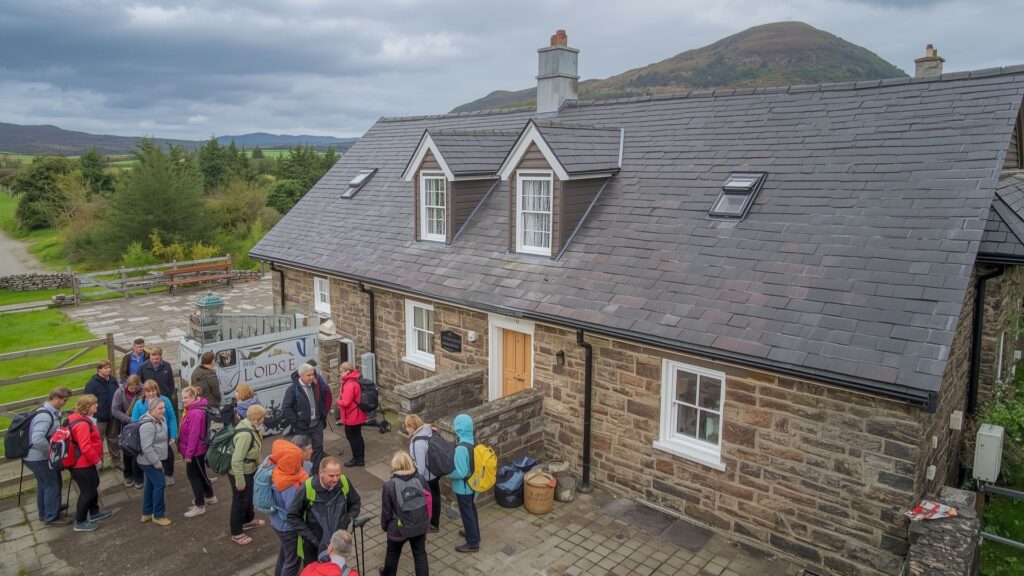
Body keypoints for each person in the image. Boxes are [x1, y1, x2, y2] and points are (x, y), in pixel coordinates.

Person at [287, 456, 362, 565]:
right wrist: (312, 539)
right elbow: (293, 516)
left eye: (338, 475)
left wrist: (348, 519)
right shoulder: (307, 488)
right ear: (321, 472)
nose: (336, 479)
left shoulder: (344, 482)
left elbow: (355, 503)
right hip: (313, 549)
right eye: (331, 475)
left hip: (337, 547)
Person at [24, 387, 71, 526]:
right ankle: (52, 517)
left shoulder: (47, 411)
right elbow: (37, 439)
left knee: (44, 485)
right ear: (56, 399)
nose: (65, 403)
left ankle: (46, 511)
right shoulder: (45, 416)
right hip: (39, 458)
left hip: (35, 458)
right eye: (64, 400)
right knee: (53, 485)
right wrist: (52, 452)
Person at [380, 451, 431, 576]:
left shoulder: (389, 485)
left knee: (392, 554)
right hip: (418, 525)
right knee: (420, 554)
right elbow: (429, 500)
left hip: (398, 528)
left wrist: (385, 526)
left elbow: (386, 513)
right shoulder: (420, 479)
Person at [67, 395, 112, 532]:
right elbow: (85, 447)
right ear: (87, 407)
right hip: (82, 464)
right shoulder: (82, 424)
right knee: (87, 491)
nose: (97, 406)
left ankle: (94, 512)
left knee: (94, 485)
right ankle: (79, 522)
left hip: (83, 462)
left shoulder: (78, 419)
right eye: (94, 404)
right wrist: (96, 460)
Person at [271, 438, 310, 576]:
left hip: (278, 522)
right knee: (293, 562)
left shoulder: (279, 471)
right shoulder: (290, 484)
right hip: (288, 528)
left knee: (284, 554)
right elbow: (294, 510)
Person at [229, 404, 266, 545]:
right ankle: (236, 532)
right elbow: (236, 460)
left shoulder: (252, 428)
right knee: (239, 502)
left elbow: (256, 451)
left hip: (249, 471)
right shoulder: (245, 434)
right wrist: (239, 480)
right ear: (256, 419)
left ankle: (247, 521)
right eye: (262, 418)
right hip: (241, 473)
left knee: (248, 498)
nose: (264, 420)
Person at [131, 380, 178, 485]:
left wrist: (173, 436)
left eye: (153, 390)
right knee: (139, 459)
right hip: (147, 436)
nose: (151, 393)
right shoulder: (139, 404)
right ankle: (139, 479)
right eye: (148, 391)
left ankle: (168, 474)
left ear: (157, 390)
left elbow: (171, 418)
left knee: (168, 455)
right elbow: (134, 421)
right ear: (144, 392)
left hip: (162, 436)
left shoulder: (165, 400)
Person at [179, 385, 216, 518]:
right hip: (197, 449)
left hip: (195, 451)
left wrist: (188, 454)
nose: (184, 400)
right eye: (182, 398)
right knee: (200, 474)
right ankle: (210, 496)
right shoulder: (194, 408)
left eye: (186, 398)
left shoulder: (194, 413)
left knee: (194, 476)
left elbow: (193, 435)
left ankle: (200, 505)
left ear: (194, 397)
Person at [284, 364, 328, 471]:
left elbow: (322, 400)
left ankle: (315, 473)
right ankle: (304, 472)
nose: (312, 377)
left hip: (317, 424)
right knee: (303, 451)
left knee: (317, 449)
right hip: (302, 427)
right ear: (301, 376)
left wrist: (323, 414)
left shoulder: (315, 385)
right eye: (309, 375)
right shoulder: (292, 389)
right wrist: (296, 422)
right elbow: (286, 408)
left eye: (313, 374)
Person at [138, 395, 172, 526]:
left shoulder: (158, 419)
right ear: (151, 410)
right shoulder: (148, 425)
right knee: (160, 484)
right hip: (149, 461)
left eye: (163, 407)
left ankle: (146, 513)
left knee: (150, 485)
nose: (163, 410)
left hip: (152, 459)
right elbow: (146, 447)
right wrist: (157, 463)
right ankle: (158, 515)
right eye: (159, 408)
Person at [406, 414, 441, 532]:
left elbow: (420, 468)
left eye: (407, 427)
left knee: (431, 498)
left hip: (427, 476)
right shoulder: (428, 430)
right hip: (435, 471)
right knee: (436, 495)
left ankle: (432, 524)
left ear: (411, 426)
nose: (406, 429)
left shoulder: (417, 442)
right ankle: (435, 522)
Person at [451, 413, 480, 553]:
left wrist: (448, 472)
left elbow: (461, 472)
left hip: (463, 487)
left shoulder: (461, 448)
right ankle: (473, 533)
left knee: (467, 513)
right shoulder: (474, 441)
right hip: (474, 485)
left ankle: (472, 543)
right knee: (472, 510)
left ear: (460, 430)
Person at [84, 359, 121, 470]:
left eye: (109, 367)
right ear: (99, 369)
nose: (108, 370)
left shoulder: (113, 380)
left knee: (113, 440)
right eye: (105, 368)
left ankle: (117, 462)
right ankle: (98, 463)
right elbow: (87, 401)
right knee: (98, 442)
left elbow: (118, 395)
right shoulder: (92, 384)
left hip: (113, 416)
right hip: (99, 418)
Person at [112, 375, 144, 488]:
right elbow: (115, 410)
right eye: (131, 388)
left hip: (141, 425)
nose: (133, 390)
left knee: (140, 452)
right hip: (127, 427)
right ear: (126, 385)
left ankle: (139, 477)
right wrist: (129, 419)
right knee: (128, 451)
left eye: (135, 388)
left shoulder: (143, 390)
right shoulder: (119, 393)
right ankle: (128, 475)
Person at [337, 362, 366, 468]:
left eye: (341, 372)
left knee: (352, 437)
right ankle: (361, 459)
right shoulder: (354, 380)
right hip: (358, 414)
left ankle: (356, 459)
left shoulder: (350, 384)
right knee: (358, 436)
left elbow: (346, 402)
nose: (340, 374)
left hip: (352, 416)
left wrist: (337, 401)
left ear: (347, 371)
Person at [137, 347, 177, 421]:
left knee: (165, 418)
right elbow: (139, 383)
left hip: (164, 397)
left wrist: (169, 393)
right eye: (152, 359)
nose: (154, 361)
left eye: (157, 359)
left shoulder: (167, 366)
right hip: (150, 399)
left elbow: (171, 382)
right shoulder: (143, 367)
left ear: (161, 356)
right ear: (150, 356)